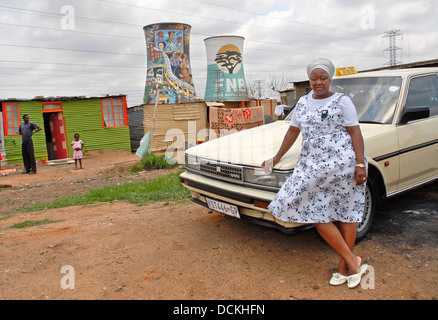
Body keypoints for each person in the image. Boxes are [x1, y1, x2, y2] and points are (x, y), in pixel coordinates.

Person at [262, 58, 368, 289]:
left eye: (323, 78)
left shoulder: (342, 101)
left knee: (346, 212)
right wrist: (277, 157)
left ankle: (344, 266)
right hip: (311, 165)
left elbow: (355, 132)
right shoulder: (302, 102)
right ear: (309, 80)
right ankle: (353, 260)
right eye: (314, 78)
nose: (318, 82)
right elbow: (292, 131)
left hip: (342, 164)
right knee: (313, 212)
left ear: (330, 79)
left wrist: (360, 164)